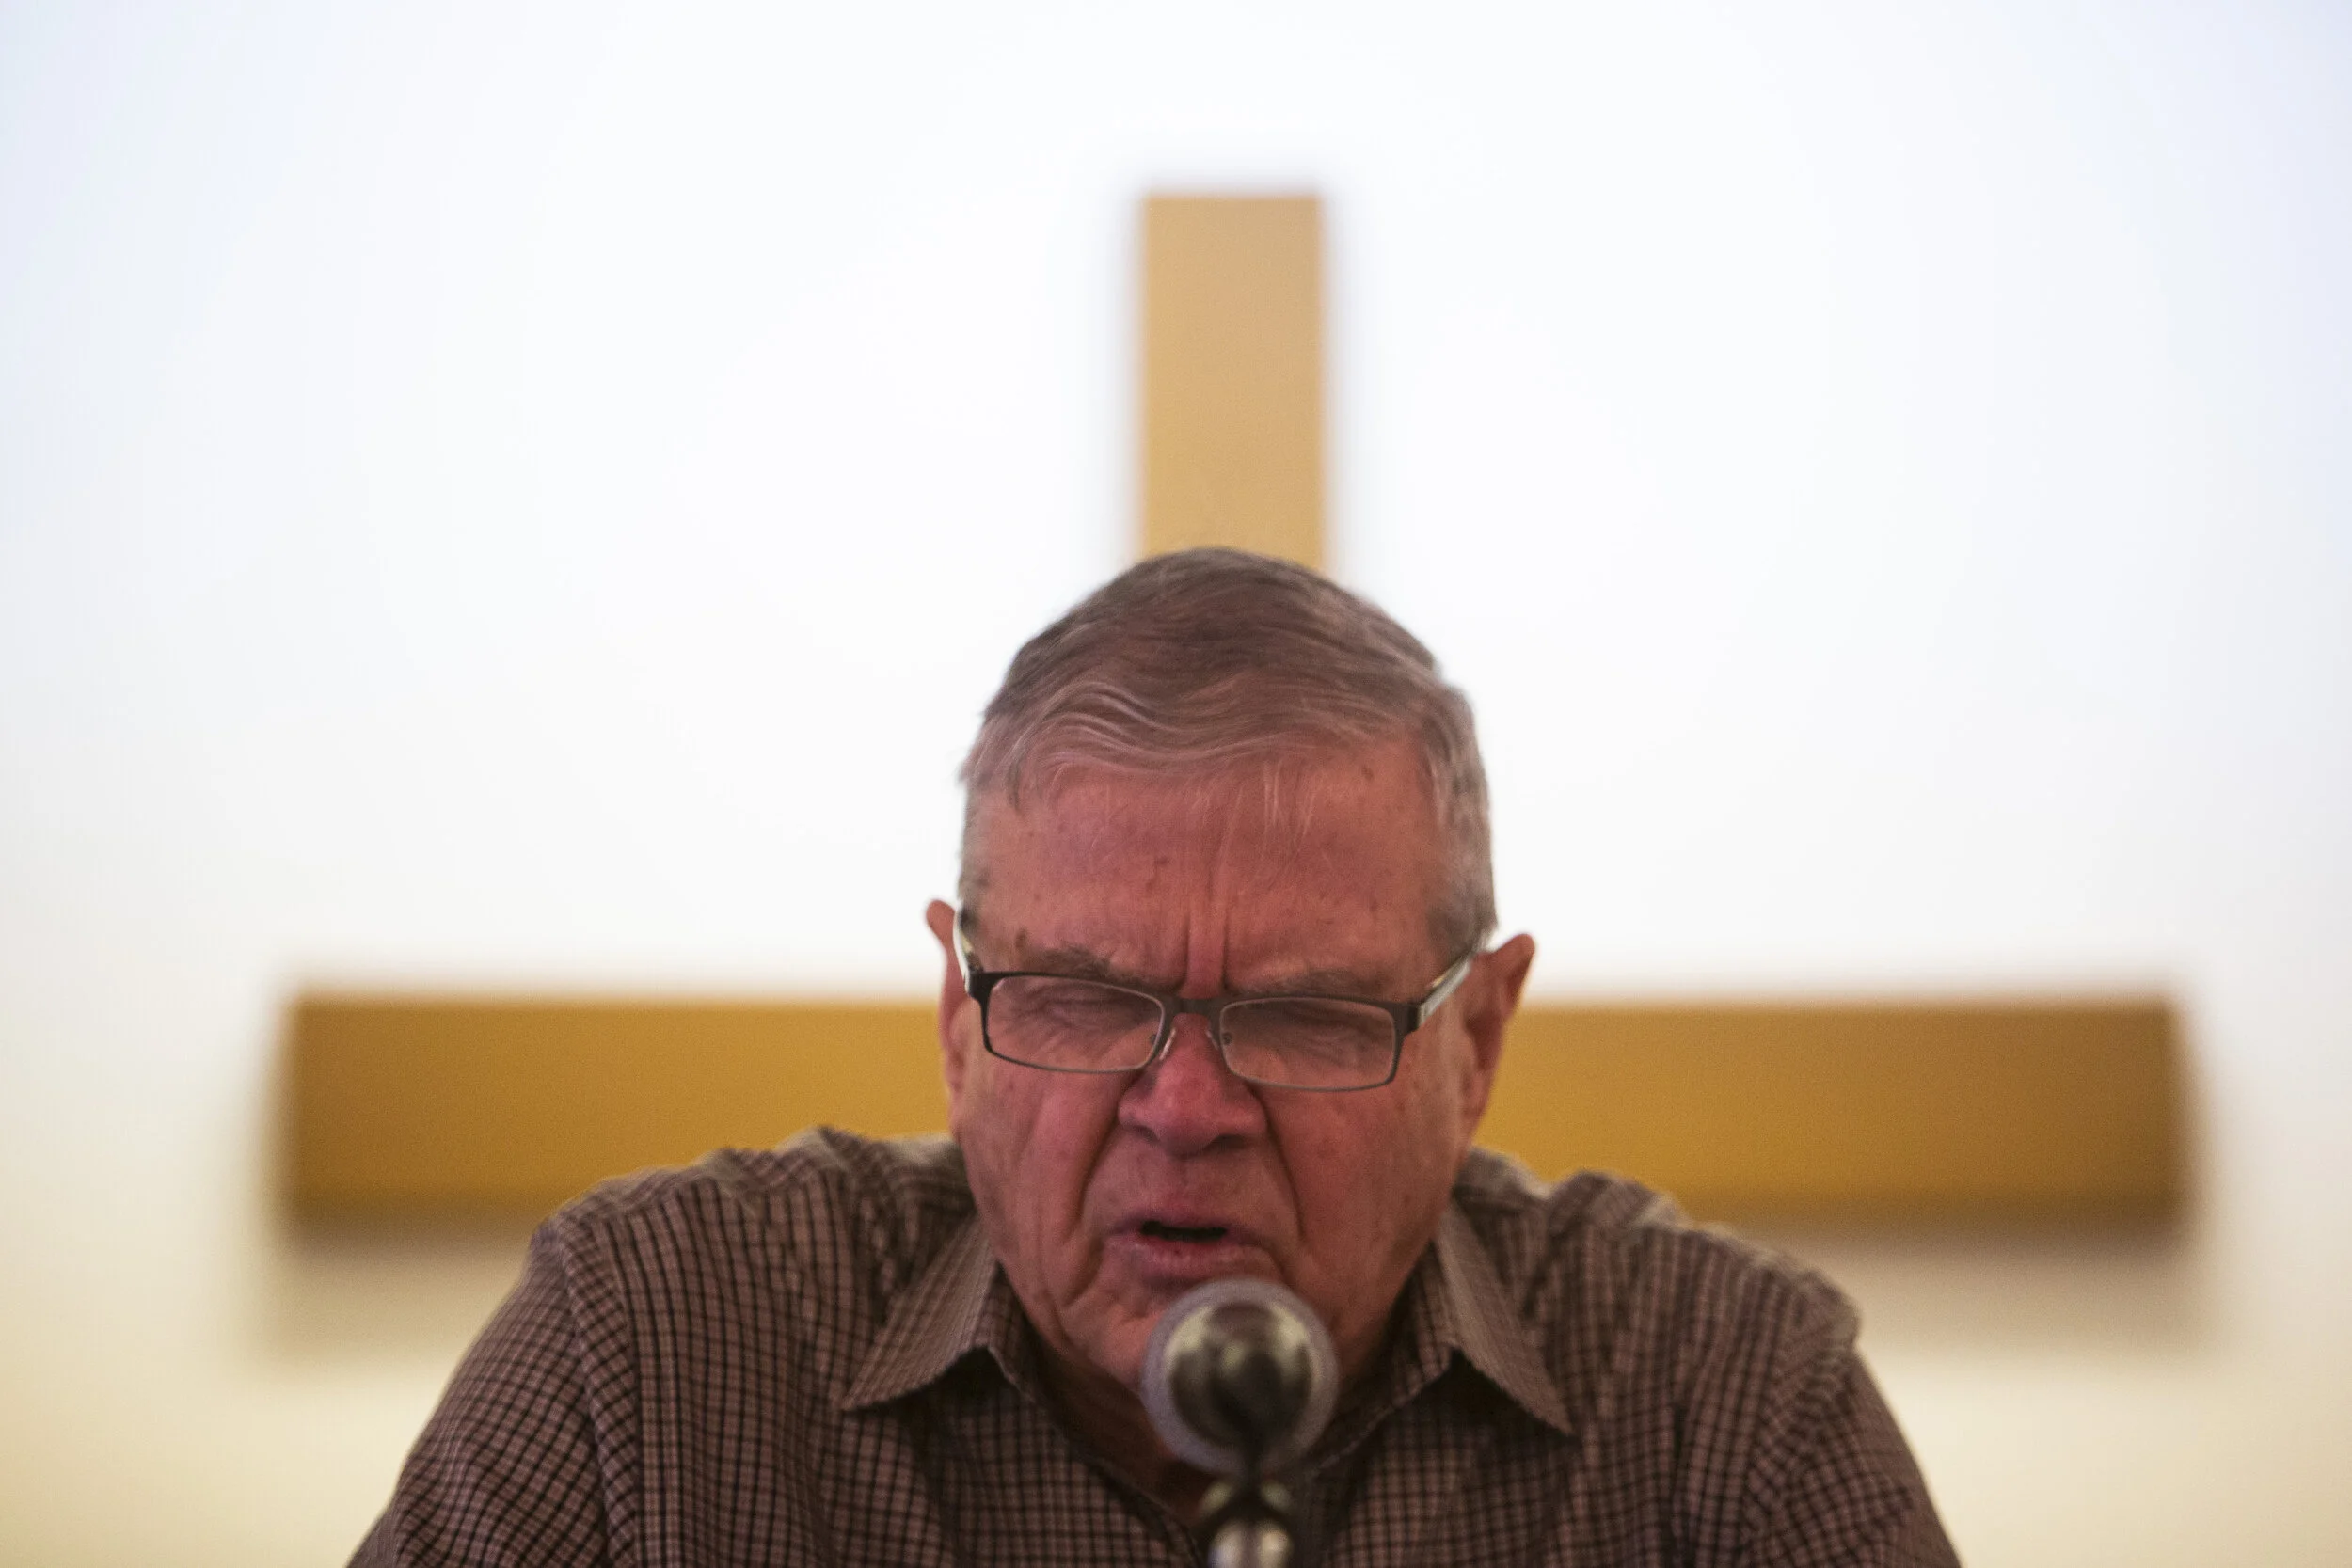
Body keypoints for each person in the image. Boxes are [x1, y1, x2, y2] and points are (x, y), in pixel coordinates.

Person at [354, 548, 1957, 1566]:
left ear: (1477, 1038)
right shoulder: (655, 1355)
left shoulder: (1720, 1401)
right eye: (1076, 999)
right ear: (953, 1019)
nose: (1184, 1112)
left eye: (1306, 1020)